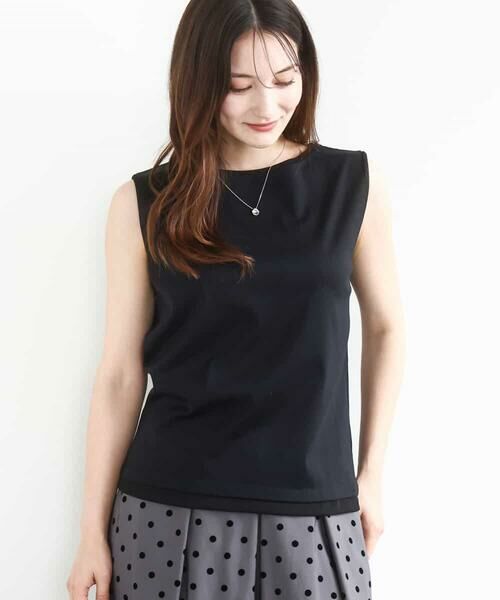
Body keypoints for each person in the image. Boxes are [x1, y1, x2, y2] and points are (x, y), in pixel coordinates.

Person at [66, 1, 405, 598]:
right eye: (239, 86)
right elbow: (120, 373)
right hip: (167, 507)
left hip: (315, 506)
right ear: (197, 81)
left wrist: (371, 475)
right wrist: (91, 531)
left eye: (285, 80)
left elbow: (386, 328)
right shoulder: (143, 203)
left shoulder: (353, 185)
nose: (266, 106)